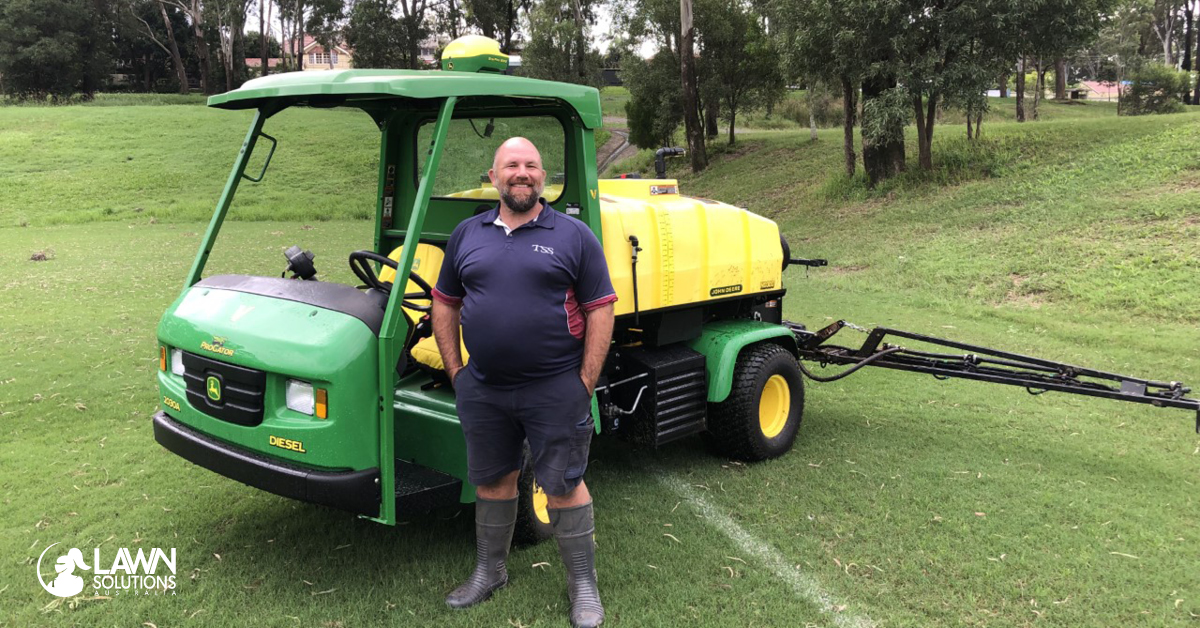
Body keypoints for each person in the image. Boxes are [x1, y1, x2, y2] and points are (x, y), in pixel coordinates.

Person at [430, 136, 616, 628]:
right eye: (511, 165)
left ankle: (583, 586)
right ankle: (489, 572)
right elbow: (445, 302)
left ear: (542, 177)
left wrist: (584, 381)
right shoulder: (467, 234)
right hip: (484, 387)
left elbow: (601, 309)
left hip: (555, 387)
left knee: (564, 485)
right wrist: (457, 372)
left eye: (531, 165)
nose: (522, 173)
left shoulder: (573, 236)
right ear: (493, 177)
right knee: (493, 480)